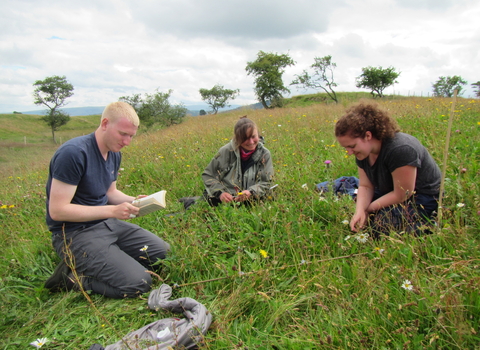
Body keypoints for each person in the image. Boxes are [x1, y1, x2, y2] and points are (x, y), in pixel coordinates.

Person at [44, 101, 170, 298]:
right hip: (74, 233)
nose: (127, 142)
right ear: (104, 124)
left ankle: (113, 259)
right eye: (123, 134)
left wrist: (134, 200)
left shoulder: (113, 153)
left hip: (107, 223)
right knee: (138, 283)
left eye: (131, 136)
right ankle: (69, 279)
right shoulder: (74, 153)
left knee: (163, 255)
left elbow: (110, 192)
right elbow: (58, 210)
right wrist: (112, 211)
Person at [335, 102, 441, 238]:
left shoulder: (401, 149)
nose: (349, 152)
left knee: (381, 227)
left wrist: (368, 209)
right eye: (346, 148)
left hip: (420, 196)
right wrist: (360, 211)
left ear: (368, 136)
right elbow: (366, 185)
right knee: (354, 210)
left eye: (352, 146)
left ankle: (431, 223)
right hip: (388, 190)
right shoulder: (363, 152)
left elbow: (403, 194)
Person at [202, 116, 274, 206]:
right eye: (245, 138)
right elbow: (209, 175)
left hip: (253, 199)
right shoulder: (226, 151)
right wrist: (221, 193)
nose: (251, 142)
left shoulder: (264, 154)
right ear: (237, 138)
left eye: (253, 137)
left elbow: (266, 182)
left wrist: (251, 192)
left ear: (258, 135)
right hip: (227, 201)